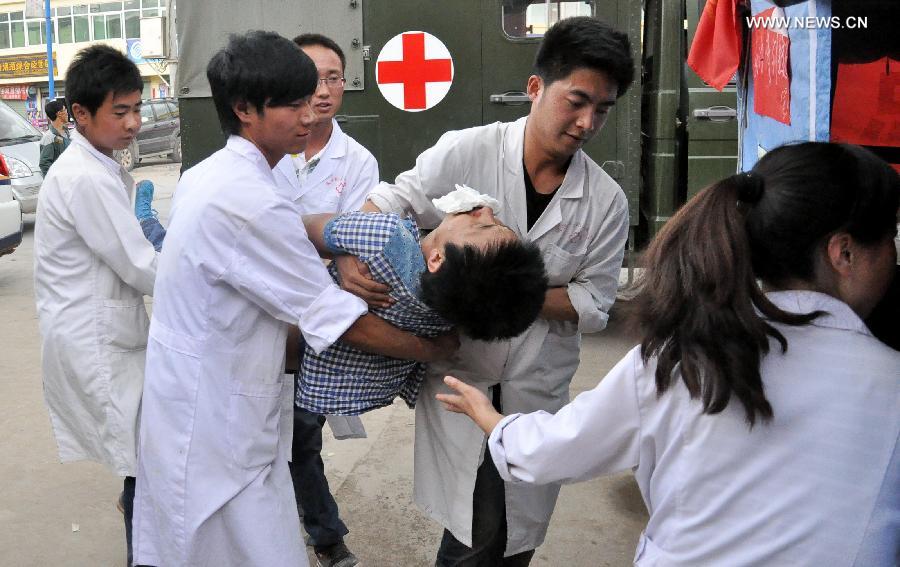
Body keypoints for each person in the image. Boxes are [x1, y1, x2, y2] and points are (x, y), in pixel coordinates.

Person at [438, 142, 900, 566]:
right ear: (844, 253)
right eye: (888, 239)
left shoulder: (679, 356)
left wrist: (493, 420)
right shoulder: (888, 382)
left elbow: (553, 450)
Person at [131, 31, 456, 567]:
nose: (310, 113)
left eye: (314, 96)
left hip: (199, 393)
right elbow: (339, 319)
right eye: (293, 102)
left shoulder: (215, 174)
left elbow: (295, 229)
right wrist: (431, 348)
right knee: (237, 541)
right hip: (215, 414)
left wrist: (332, 232)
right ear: (244, 109)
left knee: (202, 535)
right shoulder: (249, 198)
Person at [352, 16, 634, 565]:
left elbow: (595, 304)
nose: (586, 121)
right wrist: (345, 254)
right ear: (535, 87)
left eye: (602, 109)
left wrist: (500, 293)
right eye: (576, 100)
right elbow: (387, 202)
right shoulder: (467, 150)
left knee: (509, 534)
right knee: (477, 531)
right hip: (465, 372)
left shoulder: (605, 201)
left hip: (533, 387)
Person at [32, 45, 155, 566]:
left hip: (101, 330)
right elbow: (141, 266)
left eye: (136, 109)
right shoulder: (82, 175)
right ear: (79, 114)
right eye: (120, 111)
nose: (133, 123)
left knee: (142, 461)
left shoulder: (97, 165)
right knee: (143, 467)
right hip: (97, 340)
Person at [270, 33, 380, 567]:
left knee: (301, 432)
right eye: (311, 77)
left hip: (315, 318)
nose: (323, 89)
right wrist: (322, 247)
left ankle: (325, 537)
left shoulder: (356, 161)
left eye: (334, 76)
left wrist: (329, 254)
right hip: (258, 311)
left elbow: (356, 250)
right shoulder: (266, 151)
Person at [298, 208, 548, 416]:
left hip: (293, 349)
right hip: (346, 396)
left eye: (483, 226)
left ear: (437, 260)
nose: (486, 211)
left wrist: (340, 247)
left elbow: (302, 227)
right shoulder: (448, 313)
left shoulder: (385, 237)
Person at [38, 98, 70, 175]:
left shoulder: (66, 132)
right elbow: (44, 165)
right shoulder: (49, 137)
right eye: (65, 110)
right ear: (59, 113)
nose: (67, 113)